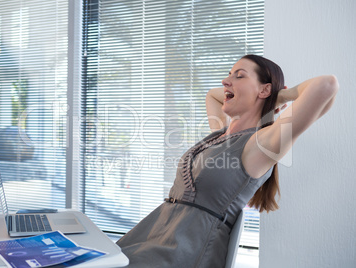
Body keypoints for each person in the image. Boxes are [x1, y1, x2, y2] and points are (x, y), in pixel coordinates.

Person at [116, 54, 339, 267]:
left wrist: (277, 96)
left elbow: (326, 86)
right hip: (152, 237)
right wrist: (262, 97)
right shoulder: (220, 134)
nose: (225, 81)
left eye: (238, 76)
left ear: (265, 89)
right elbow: (212, 95)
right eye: (229, 74)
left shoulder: (260, 145)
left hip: (182, 252)